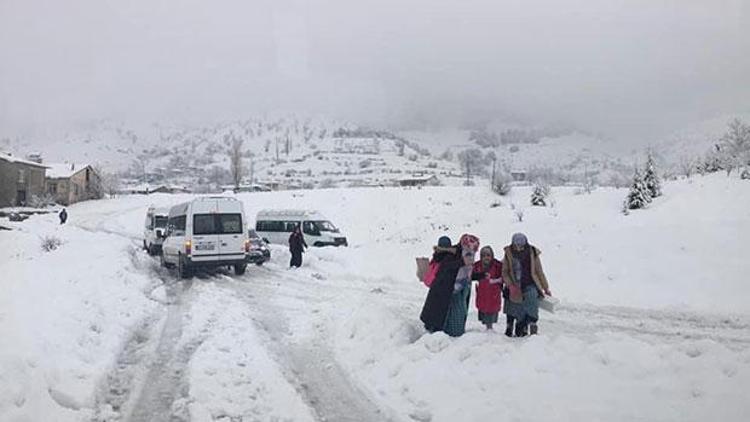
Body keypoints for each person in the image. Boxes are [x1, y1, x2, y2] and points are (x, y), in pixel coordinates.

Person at [501, 233, 551, 337]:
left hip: (530, 283)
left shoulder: (532, 252)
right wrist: (510, 285)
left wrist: (546, 288)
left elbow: (539, 271)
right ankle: (511, 325)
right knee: (513, 304)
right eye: (516, 246)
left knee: (532, 302)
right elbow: (505, 272)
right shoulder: (508, 253)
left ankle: (531, 324)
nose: (519, 248)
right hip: (514, 284)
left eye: (521, 246)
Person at [419, 236, 463, 333]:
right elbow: (449, 266)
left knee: (432, 310)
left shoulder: (437, 255)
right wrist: (463, 261)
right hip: (443, 288)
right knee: (438, 312)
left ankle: (429, 327)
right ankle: (435, 329)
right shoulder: (449, 257)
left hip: (436, 287)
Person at [443, 233, 480, 337]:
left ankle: (457, 332)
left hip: (465, 286)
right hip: (454, 287)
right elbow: (446, 266)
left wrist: (480, 276)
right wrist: (462, 262)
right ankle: (453, 333)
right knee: (456, 310)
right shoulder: (454, 252)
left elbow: (468, 272)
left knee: (462, 310)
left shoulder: (469, 253)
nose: (471, 250)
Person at [473, 246, 503, 330]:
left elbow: (503, 277)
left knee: (491, 312)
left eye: (488, 255)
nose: (486, 257)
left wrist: (495, 281)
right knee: (483, 311)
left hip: (494, 294)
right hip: (482, 293)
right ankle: (486, 330)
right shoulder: (477, 265)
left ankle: (489, 330)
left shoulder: (497, 265)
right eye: (484, 255)